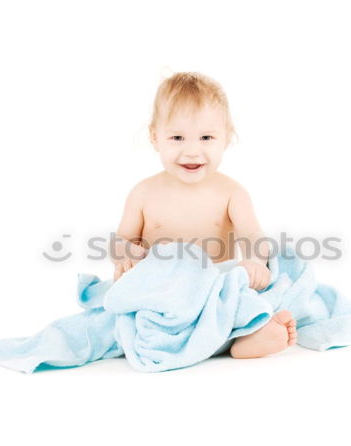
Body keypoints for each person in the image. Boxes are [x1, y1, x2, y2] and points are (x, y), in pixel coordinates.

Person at [111, 71, 296, 359]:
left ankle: (250, 336)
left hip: (215, 288)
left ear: (227, 137)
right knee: (128, 315)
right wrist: (127, 254)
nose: (192, 151)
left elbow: (252, 236)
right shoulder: (143, 193)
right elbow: (122, 240)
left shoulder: (232, 192)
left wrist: (254, 261)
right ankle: (218, 341)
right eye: (177, 137)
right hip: (162, 292)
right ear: (155, 137)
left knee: (242, 298)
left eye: (206, 137)